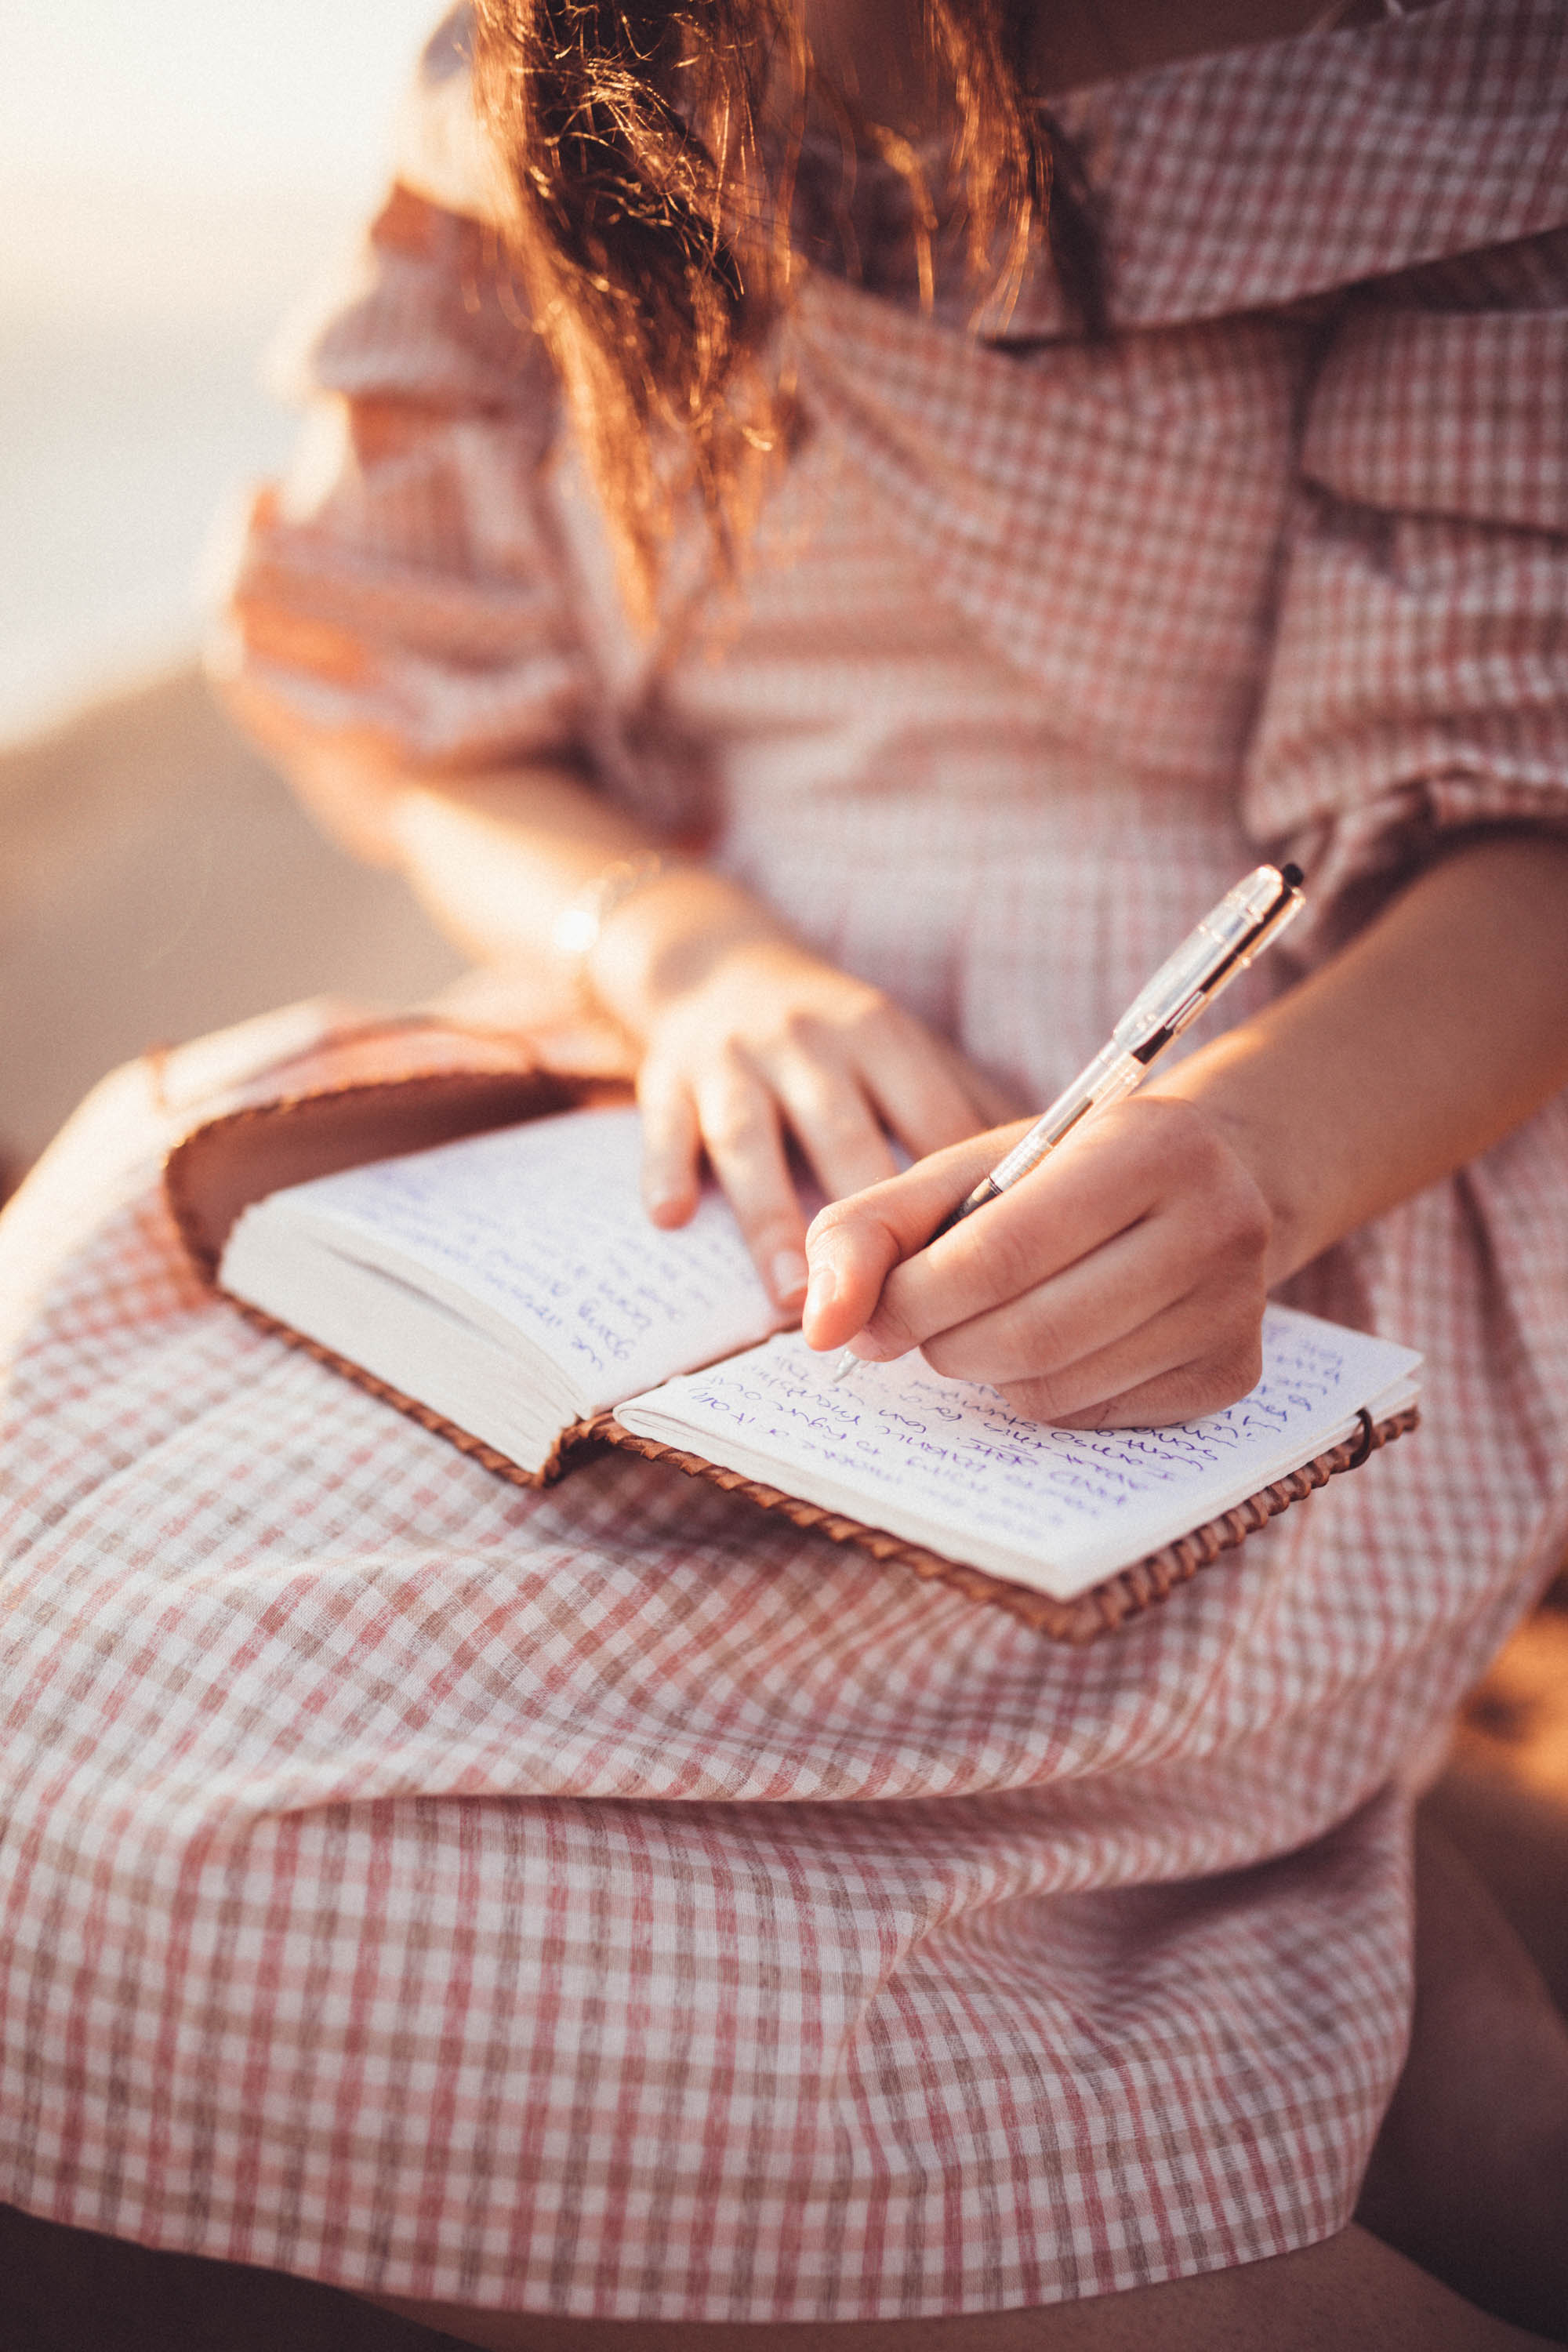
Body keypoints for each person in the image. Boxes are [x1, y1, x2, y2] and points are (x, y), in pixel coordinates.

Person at [2, 0, 1566, 2344]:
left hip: (1270, 1169)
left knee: (224, 1874)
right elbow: (401, 695)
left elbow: (1532, 844)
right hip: (658, 1085)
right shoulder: (550, 59)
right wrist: (696, 954)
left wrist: (1242, 1147)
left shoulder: (1447, 80)